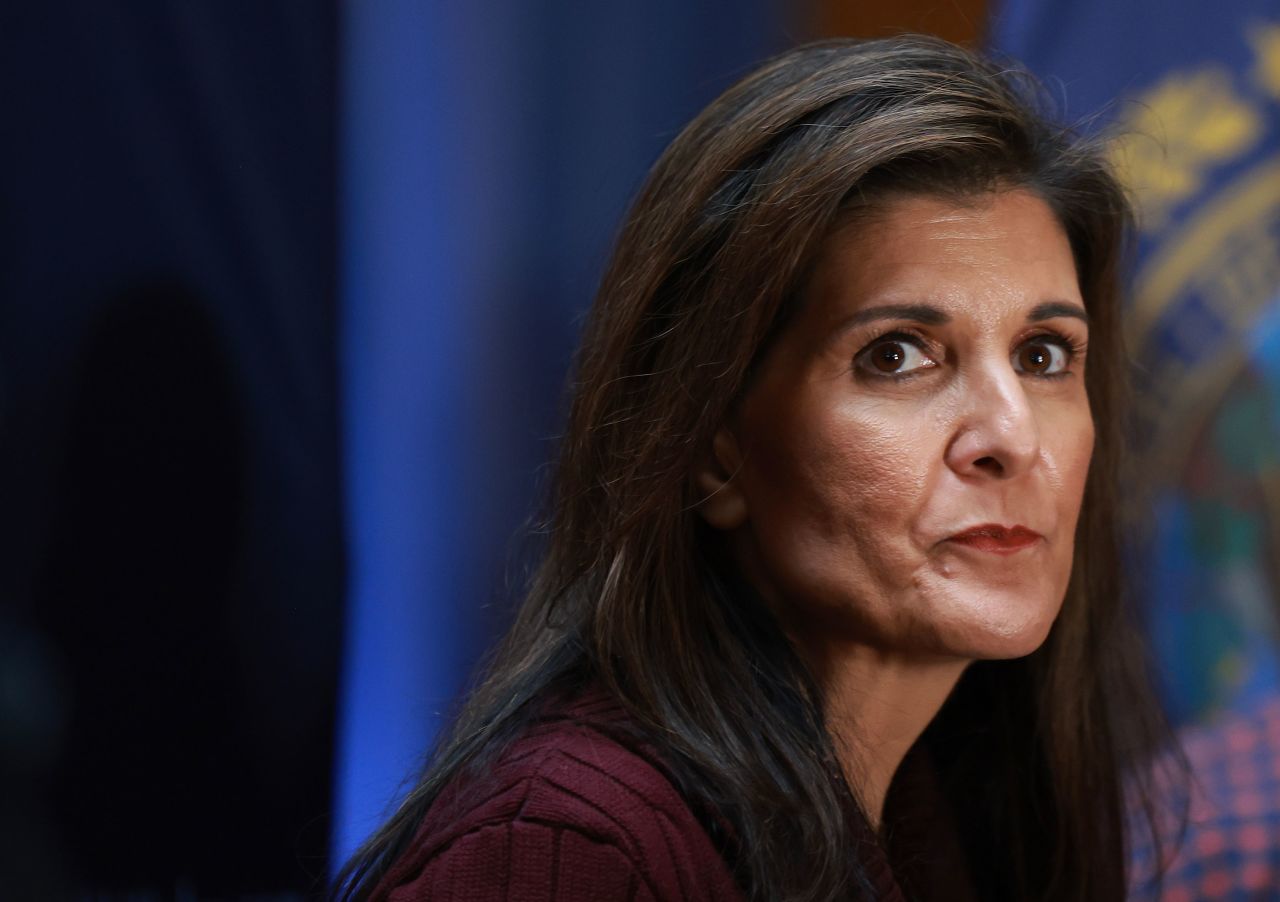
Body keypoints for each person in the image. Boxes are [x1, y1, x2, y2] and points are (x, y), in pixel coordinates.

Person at [334, 35, 1181, 901]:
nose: (1012, 436)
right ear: (710, 449)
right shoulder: (565, 853)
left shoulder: (953, 810)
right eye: (895, 356)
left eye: (1043, 356)